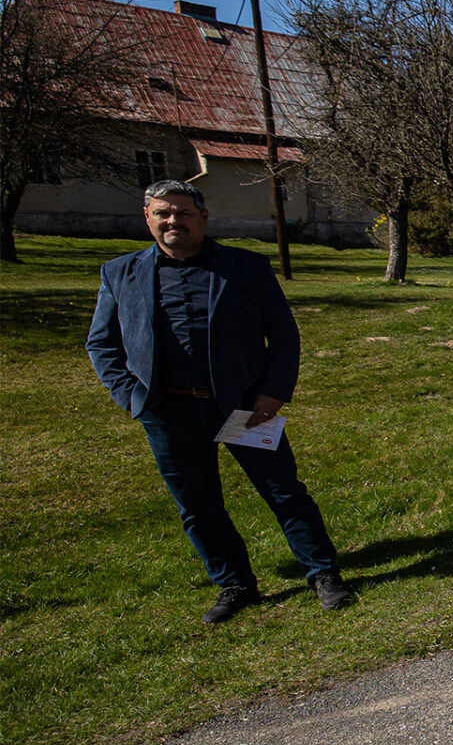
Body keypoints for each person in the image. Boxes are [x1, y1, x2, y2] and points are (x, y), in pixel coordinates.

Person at [86, 180, 353, 624]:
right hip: (167, 412)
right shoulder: (121, 273)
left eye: (184, 213)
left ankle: (325, 575)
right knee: (198, 504)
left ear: (203, 218)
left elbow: (283, 334)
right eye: (163, 213)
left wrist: (274, 391)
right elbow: (102, 344)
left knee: (284, 492)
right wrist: (133, 397)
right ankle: (234, 584)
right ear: (148, 218)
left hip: (246, 406)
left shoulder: (245, 267)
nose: (174, 221)